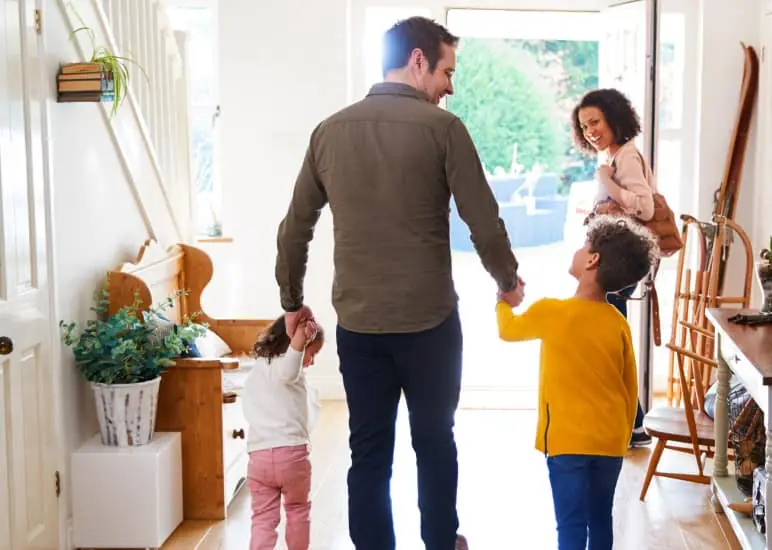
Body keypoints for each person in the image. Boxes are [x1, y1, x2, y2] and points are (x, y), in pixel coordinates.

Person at [274, 15, 523, 550]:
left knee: (368, 451)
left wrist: (291, 302)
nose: (450, 86)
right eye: (446, 71)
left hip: (360, 327)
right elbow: (482, 217)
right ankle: (439, 543)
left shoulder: (330, 131)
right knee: (435, 443)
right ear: (417, 60)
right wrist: (506, 279)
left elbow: (295, 228)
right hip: (430, 324)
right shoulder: (444, 130)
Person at [496, 215, 658, 550]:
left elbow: (507, 330)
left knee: (571, 525)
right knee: (600, 518)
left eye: (585, 245)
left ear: (592, 260)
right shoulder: (617, 323)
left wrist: (503, 300)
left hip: (566, 443)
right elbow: (629, 387)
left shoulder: (551, 312)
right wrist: (621, 437)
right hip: (609, 442)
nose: (580, 249)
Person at [571, 88, 658, 449]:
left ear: (613, 118)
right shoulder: (616, 157)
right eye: (584, 125)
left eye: (595, 121)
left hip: (618, 266)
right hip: (613, 262)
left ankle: (631, 426)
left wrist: (607, 183)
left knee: (611, 346)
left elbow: (646, 207)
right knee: (614, 344)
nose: (591, 130)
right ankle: (633, 425)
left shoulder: (625, 158)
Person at [243, 316, 323, 550]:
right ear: (296, 347)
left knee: (262, 518)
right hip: (292, 457)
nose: (312, 361)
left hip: (259, 459)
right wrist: (299, 341)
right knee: (298, 510)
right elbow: (289, 367)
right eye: (312, 354)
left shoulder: (258, 368)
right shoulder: (289, 369)